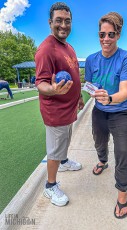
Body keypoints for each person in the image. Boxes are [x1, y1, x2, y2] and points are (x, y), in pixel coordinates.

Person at [85, 12, 127, 219]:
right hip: (100, 110)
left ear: (118, 35)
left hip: (122, 111)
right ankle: (102, 160)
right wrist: (92, 93)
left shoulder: (126, 58)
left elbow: (124, 91)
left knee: (123, 152)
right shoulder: (91, 60)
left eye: (111, 34)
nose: (105, 39)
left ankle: (122, 193)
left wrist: (109, 98)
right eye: (102, 34)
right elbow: (89, 85)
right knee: (99, 141)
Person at [35, 2, 84, 207]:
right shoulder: (46, 49)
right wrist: (54, 90)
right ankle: (50, 186)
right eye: (59, 21)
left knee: (65, 140)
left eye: (67, 21)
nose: (63, 25)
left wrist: (78, 96)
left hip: (69, 107)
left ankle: (64, 163)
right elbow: (41, 83)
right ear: (50, 23)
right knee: (54, 150)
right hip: (55, 110)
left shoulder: (68, 46)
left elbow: (73, 74)